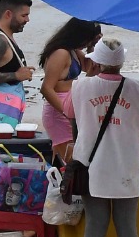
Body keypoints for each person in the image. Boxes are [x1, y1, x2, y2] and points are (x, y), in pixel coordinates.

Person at [69, 38, 139, 237]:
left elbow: (68, 111)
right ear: (121, 62)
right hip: (126, 164)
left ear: (96, 61)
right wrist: (136, 136)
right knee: (127, 224)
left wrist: (87, 75)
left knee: (95, 224)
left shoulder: (82, 87)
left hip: (92, 163)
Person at [38, 18, 102, 160]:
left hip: (69, 106)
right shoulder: (61, 53)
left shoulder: (72, 51)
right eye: (87, 40)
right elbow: (47, 88)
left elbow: (90, 68)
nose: (85, 44)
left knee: (65, 159)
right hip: (58, 110)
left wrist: (93, 45)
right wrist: (67, 113)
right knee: (70, 160)